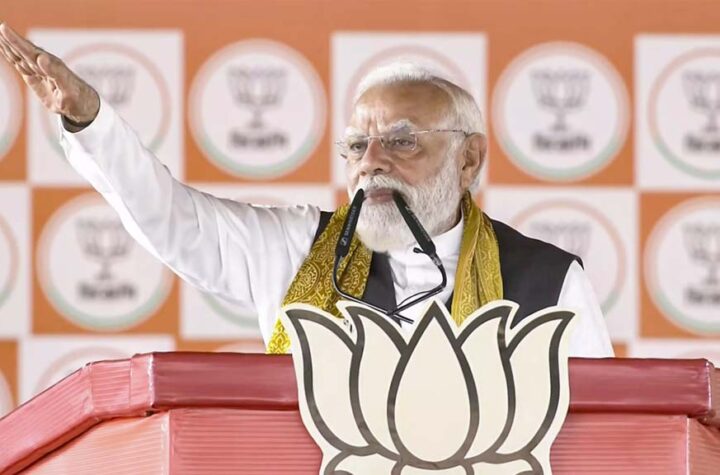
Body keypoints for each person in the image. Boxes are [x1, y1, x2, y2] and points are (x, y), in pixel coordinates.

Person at [0, 23, 613, 357]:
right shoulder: (297, 249)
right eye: (357, 146)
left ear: (468, 159)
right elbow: (171, 218)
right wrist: (89, 120)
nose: (370, 164)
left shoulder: (551, 282)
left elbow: (601, 437)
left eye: (401, 142)